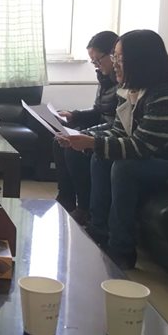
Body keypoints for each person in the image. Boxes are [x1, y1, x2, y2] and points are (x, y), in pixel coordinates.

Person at [57, 30, 168, 269]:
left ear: (141, 61)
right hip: (154, 158)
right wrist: (85, 139)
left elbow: (141, 147)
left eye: (119, 59)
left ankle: (121, 250)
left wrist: (92, 143)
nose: (114, 64)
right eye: (114, 58)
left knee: (124, 167)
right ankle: (98, 230)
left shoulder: (165, 94)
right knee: (101, 157)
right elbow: (118, 132)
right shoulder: (130, 91)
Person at [53, 31, 119, 224]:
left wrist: (85, 135)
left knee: (74, 146)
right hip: (105, 126)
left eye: (98, 60)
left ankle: (83, 207)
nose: (96, 65)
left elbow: (119, 123)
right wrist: (74, 115)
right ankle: (66, 198)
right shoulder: (104, 78)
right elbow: (99, 111)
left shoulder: (123, 81)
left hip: (113, 131)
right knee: (58, 140)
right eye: (93, 62)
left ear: (113, 54)